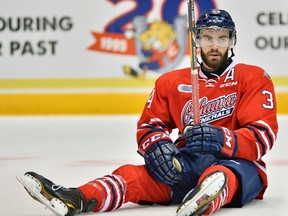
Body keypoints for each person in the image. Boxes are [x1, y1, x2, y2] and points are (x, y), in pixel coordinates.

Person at [17, 9, 278, 216]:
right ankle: (77, 198)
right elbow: (149, 127)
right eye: (208, 37)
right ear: (197, 40)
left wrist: (220, 139)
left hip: (237, 165)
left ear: (232, 41)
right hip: (185, 166)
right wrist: (158, 149)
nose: (214, 45)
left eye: (222, 38)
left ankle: (206, 197)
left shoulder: (252, 78)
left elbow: (262, 136)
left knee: (222, 176)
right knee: (131, 176)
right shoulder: (171, 81)